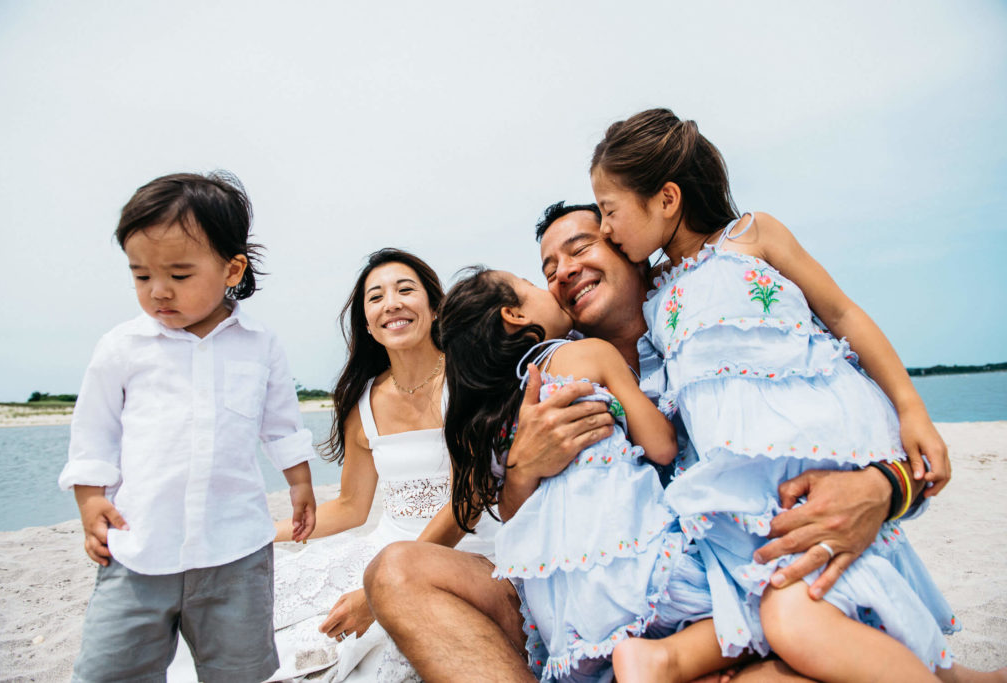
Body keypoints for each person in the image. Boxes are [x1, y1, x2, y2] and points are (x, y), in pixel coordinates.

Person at [365, 197, 938, 682]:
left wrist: (891, 483)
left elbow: (833, 417)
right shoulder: (556, 374)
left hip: (703, 592)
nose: (563, 271)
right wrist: (522, 468)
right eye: (547, 268)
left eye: (583, 247)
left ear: (629, 247)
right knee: (395, 572)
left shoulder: (708, 322)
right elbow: (501, 506)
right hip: (578, 603)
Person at [589, 107, 978, 681]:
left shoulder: (754, 235)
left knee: (801, 612)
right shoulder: (655, 293)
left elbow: (843, 312)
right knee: (809, 609)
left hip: (822, 455)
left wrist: (912, 408)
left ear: (666, 198)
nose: (603, 228)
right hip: (747, 498)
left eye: (609, 209)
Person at [174, 248, 496, 682]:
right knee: (249, 607)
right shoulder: (362, 403)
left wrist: (380, 592)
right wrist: (263, 534)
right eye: (376, 297)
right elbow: (349, 506)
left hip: (464, 556)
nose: (392, 304)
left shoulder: (468, 380)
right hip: (382, 548)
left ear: (435, 308)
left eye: (406, 290)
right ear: (368, 323)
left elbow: (468, 502)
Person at [58, 171, 317, 683]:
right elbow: (94, 432)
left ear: (231, 268)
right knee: (112, 669)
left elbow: (282, 423)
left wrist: (301, 482)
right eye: (140, 276)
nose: (158, 292)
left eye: (178, 275)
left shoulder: (259, 345)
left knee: (238, 670)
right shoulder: (122, 347)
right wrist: (90, 499)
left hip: (236, 552)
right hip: (138, 546)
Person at [440, 266, 750, 681]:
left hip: (563, 608)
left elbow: (513, 513)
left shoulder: (491, 418)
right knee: (750, 607)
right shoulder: (588, 355)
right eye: (533, 285)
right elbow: (661, 445)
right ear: (513, 316)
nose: (548, 287)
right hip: (634, 560)